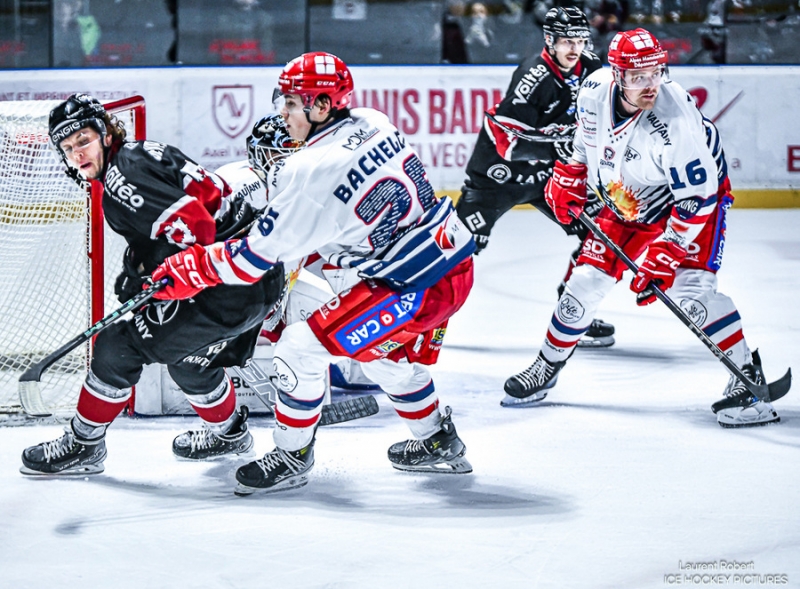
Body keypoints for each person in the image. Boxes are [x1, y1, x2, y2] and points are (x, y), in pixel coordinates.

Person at [150, 52, 477, 494]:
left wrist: (191, 268)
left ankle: (292, 455)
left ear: (322, 106)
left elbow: (253, 258)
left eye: (291, 103)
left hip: (413, 286)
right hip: (450, 260)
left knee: (298, 350)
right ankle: (438, 439)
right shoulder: (372, 119)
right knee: (380, 353)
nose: (282, 113)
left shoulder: (310, 172)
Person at [507, 28, 783, 428]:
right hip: (627, 198)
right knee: (583, 283)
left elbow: (698, 197)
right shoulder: (593, 91)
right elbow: (585, 143)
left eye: (656, 72)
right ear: (616, 75)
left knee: (692, 297)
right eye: (638, 77)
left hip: (687, 206)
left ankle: (746, 376)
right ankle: (545, 366)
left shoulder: (675, 123)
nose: (650, 84)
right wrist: (569, 173)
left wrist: (668, 249)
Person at [20, 94, 290, 476]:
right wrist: (143, 267)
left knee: (119, 345)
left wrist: (169, 280)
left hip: (229, 285)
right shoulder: (140, 152)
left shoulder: (120, 178)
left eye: (83, 139)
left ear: (104, 132)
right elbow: (183, 223)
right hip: (258, 274)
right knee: (190, 358)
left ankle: (83, 445)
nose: (77, 153)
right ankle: (229, 434)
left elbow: (198, 229)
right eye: (67, 148)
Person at [454, 6, 615, 350]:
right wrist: (564, 144)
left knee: (596, 234)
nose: (574, 48)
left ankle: (573, 313)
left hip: (549, 178)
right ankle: (416, 317)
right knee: (455, 248)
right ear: (550, 40)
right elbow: (508, 144)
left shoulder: (593, 69)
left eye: (580, 40)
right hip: (497, 178)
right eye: (566, 41)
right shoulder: (533, 77)